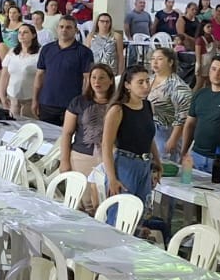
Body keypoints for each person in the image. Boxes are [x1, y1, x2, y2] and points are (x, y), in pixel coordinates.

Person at [100, 65, 161, 207]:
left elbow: (148, 137)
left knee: (140, 212)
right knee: (121, 212)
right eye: (140, 82)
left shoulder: (147, 106)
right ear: (127, 85)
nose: (146, 86)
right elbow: (106, 146)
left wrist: (157, 161)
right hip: (125, 164)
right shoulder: (117, 110)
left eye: (147, 81)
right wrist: (112, 178)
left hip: (144, 164)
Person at [59, 64, 117, 209]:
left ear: (111, 80)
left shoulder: (118, 105)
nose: (97, 81)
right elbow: (67, 133)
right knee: (80, 202)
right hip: (81, 156)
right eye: (94, 77)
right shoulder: (79, 102)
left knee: (102, 204)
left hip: (109, 158)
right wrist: (64, 160)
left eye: (102, 78)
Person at [35, 17, 94, 124]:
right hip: (46, 103)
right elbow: (39, 76)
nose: (64, 30)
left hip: (71, 105)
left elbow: (88, 80)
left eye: (68, 27)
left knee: (67, 137)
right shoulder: (46, 49)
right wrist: (35, 99)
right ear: (57, 29)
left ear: (76, 30)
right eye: (61, 27)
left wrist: (83, 102)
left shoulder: (84, 52)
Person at [147, 45, 192, 159]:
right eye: (153, 59)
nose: (155, 62)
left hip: (165, 130)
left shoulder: (178, 86)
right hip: (147, 127)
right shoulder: (149, 80)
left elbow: (182, 116)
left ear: (170, 62)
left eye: (160, 59)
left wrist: (173, 139)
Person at [1, 22, 41, 118]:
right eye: (19, 32)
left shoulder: (40, 53)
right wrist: (2, 96)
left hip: (30, 98)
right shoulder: (12, 51)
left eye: (25, 32)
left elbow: (42, 76)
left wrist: (37, 99)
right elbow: (5, 75)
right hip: (13, 97)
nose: (21, 35)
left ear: (33, 35)